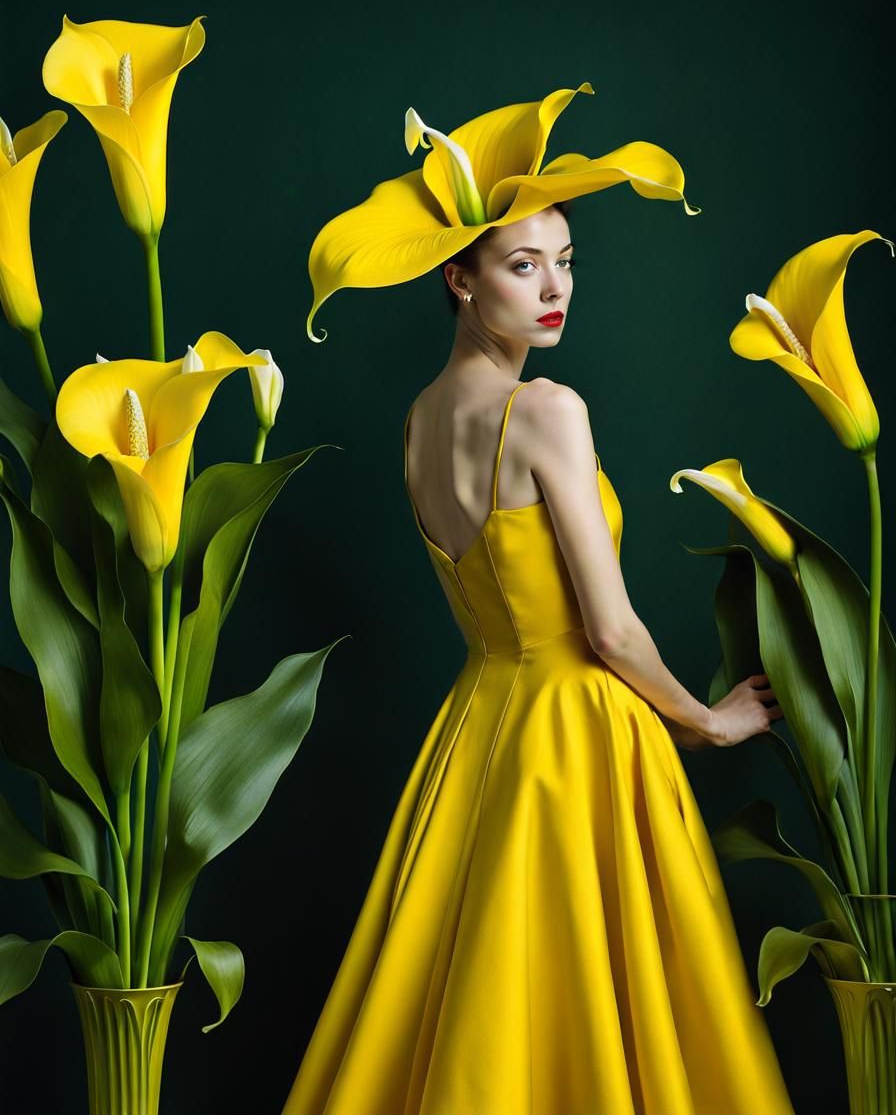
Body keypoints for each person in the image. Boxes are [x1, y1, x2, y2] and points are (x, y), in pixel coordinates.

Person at [283, 85, 796, 1114]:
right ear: (458, 278)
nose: (553, 288)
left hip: (476, 733)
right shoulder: (547, 411)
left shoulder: (420, 422)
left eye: (563, 263)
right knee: (594, 1004)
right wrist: (704, 721)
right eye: (523, 267)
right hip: (577, 735)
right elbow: (605, 629)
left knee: (479, 1002)